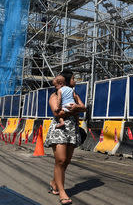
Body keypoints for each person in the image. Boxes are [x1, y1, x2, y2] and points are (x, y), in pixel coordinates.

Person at [44, 70, 86, 205]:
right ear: (67, 80)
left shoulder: (74, 94)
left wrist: (78, 107)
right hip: (60, 129)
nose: (76, 80)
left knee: (66, 160)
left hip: (72, 129)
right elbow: (57, 113)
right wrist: (73, 110)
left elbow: (84, 108)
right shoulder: (55, 95)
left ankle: (54, 182)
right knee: (60, 160)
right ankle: (62, 193)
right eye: (74, 78)